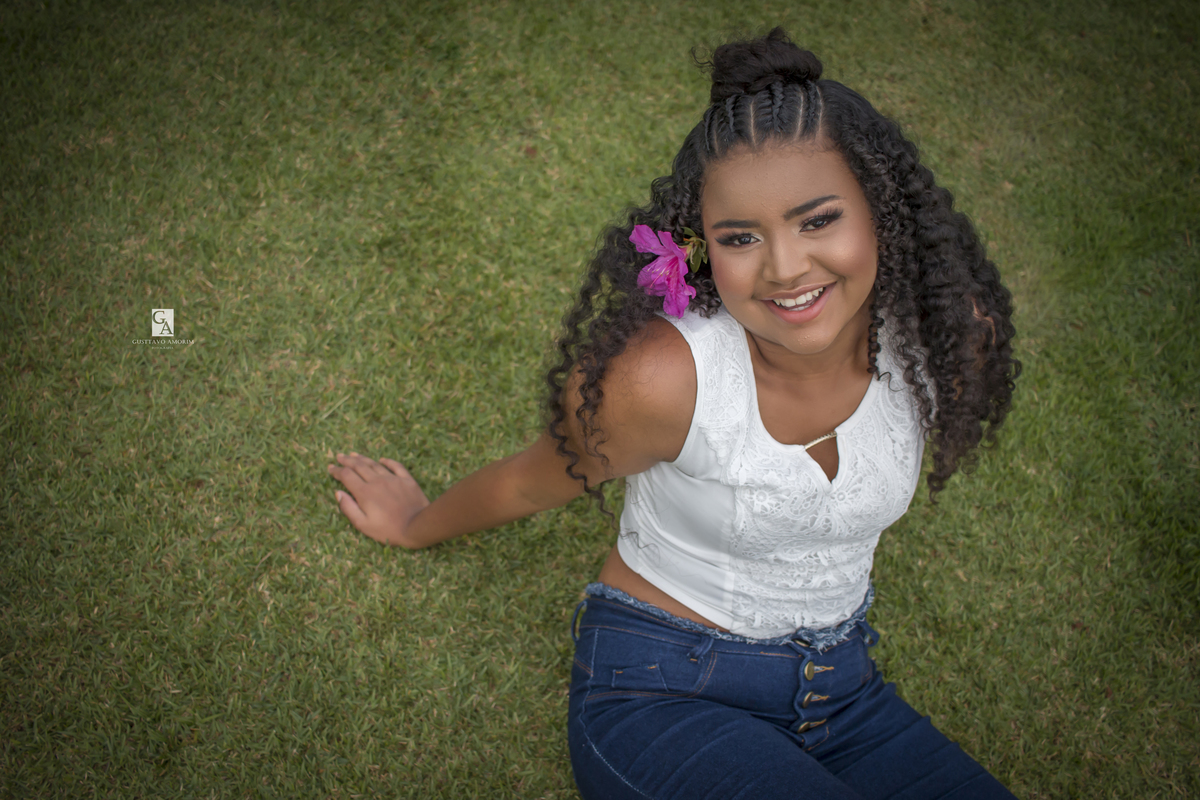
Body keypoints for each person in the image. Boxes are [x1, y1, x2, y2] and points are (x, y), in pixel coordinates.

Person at [327, 27, 1020, 800]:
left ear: (883, 213)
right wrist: (414, 523)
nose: (785, 267)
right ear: (701, 248)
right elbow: (532, 479)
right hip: (664, 690)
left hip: (848, 693)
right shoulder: (661, 378)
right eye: (741, 237)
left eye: (819, 220)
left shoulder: (944, 337)